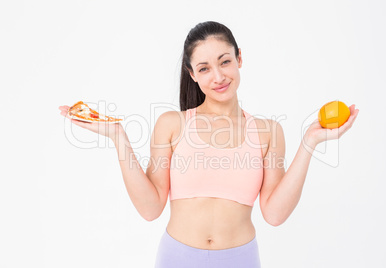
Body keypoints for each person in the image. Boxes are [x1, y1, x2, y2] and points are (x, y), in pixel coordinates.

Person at [59, 21, 359, 268]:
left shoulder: (268, 131)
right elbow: (151, 208)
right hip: (177, 258)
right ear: (192, 74)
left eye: (225, 62)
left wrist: (309, 143)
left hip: (241, 259)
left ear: (239, 58)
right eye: (204, 69)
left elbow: (275, 214)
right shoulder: (171, 124)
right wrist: (118, 137)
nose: (218, 76)